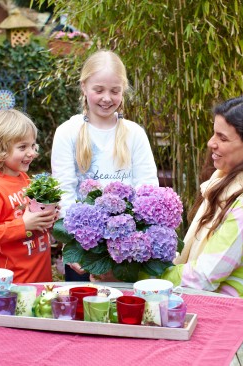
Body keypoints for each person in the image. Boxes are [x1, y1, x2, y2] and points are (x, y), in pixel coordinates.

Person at [159, 96, 243, 310]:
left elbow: (204, 276)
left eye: (222, 138)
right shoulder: (223, 183)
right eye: (214, 133)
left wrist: (146, 272)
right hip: (216, 309)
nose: (211, 143)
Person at [51, 50, 159, 281]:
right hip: (84, 251)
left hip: (127, 250)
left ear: (123, 90)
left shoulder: (135, 134)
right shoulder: (67, 132)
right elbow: (64, 191)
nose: (106, 98)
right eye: (98, 90)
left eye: (115, 91)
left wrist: (134, 240)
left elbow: (147, 188)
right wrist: (75, 245)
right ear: (83, 87)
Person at [0, 109, 58, 284]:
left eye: (33, 145)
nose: (31, 152)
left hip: (42, 281)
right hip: (14, 286)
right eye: (22, 147)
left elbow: (34, 219)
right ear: (0, 150)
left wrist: (49, 216)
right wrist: (23, 225)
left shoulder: (25, 179)